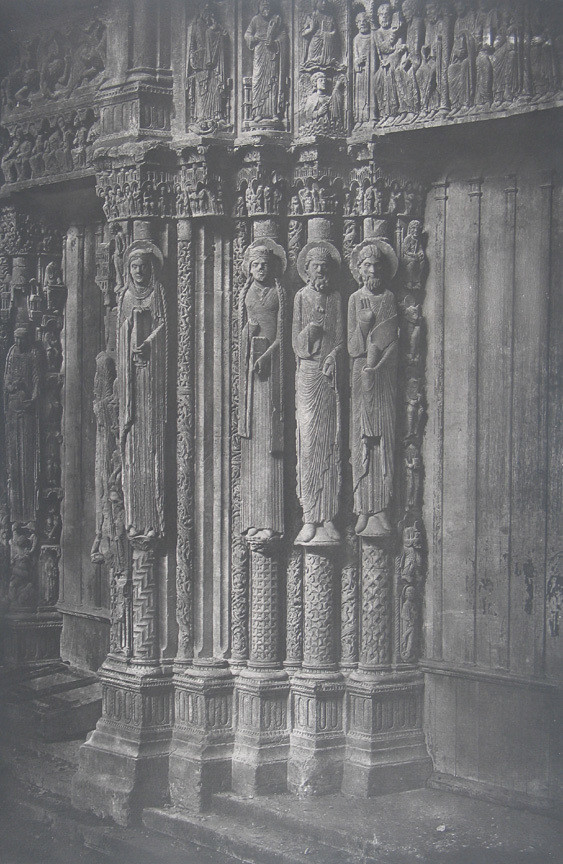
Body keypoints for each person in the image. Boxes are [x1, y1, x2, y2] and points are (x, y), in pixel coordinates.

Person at [293, 242, 343, 545]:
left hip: (328, 376)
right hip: (308, 375)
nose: (321, 270)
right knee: (309, 445)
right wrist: (309, 332)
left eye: (325, 266)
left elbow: (340, 338)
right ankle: (309, 516)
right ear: (307, 270)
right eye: (315, 266)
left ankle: (328, 516)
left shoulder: (337, 298)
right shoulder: (301, 297)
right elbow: (295, 344)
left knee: (330, 444)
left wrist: (334, 356)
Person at [348, 240, 399, 538]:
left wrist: (379, 365)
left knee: (383, 438)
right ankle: (363, 508)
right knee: (362, 440)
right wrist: (364, 326)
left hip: (385, 376)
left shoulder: (389, 298)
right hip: (360, 374)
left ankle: (381, 509)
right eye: (367, 264)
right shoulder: (356, 299)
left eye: (378, 264)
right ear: (359, 269)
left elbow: (394, 341)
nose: (373, 269)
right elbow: (354, 347)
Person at [117, 241, 167, 538]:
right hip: (132, 382)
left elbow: (163, 326)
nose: (138, 272)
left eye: (143, 267)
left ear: (151, 269)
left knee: (150, 446)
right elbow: (122, 330)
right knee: (134, 452)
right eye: (134, 267)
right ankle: (136, 518)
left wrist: (148, 342)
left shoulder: (157, 293)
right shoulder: (125, 296)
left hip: (152, 378)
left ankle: (153, 520)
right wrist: (130, 335)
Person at [239, 240, 286, 542]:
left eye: (265, 265)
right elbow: (242, 332)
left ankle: (271, 520)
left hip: (271, 377)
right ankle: (254, 518)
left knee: (270, 450)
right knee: (253, 451)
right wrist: (247, 334)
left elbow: (283, 335)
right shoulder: (246, 294)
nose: (260, 270)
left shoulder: (279, 293)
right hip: (251, 381)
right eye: (255, 265)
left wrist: (266, 355)